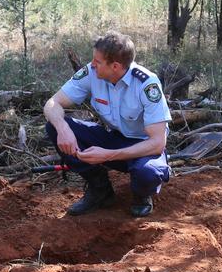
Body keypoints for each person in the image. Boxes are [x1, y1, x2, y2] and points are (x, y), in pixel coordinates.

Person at [43, 31, 170, 217]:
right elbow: (52, 103)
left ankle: (142, 195)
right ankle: (100, 189)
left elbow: (158, 143)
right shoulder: (92, 73)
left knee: (148, 173)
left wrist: (108, 156)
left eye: (97, 61)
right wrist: (63, 129)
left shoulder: (146, 84)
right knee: (54, 125)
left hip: (143, 148)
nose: (92, 64)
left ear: (116, 66)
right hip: (113, 138)